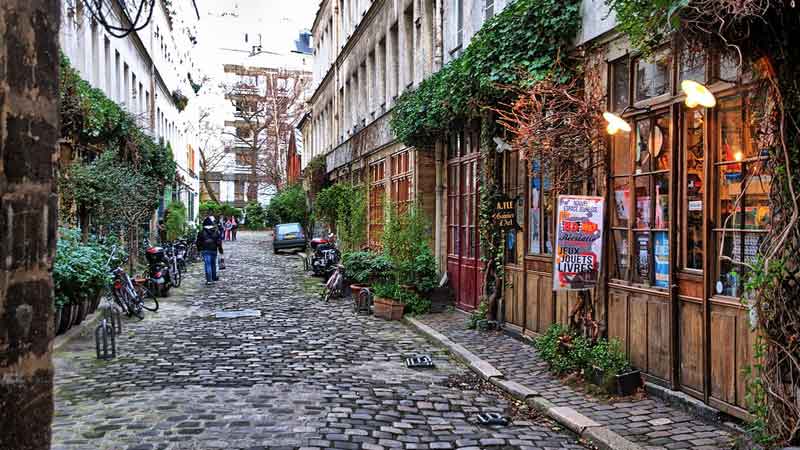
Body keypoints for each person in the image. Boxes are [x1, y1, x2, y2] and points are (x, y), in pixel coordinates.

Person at [197, 216, 223, 285]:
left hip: (205, 250)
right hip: (213, 250)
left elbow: (198, 242)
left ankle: (209, 280)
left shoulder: (201, 232)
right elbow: (219, 242)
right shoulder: (216, 232)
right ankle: (214, 277)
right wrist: (220, 250)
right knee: (213, 264)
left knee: (207, 264)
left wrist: (199, 249)